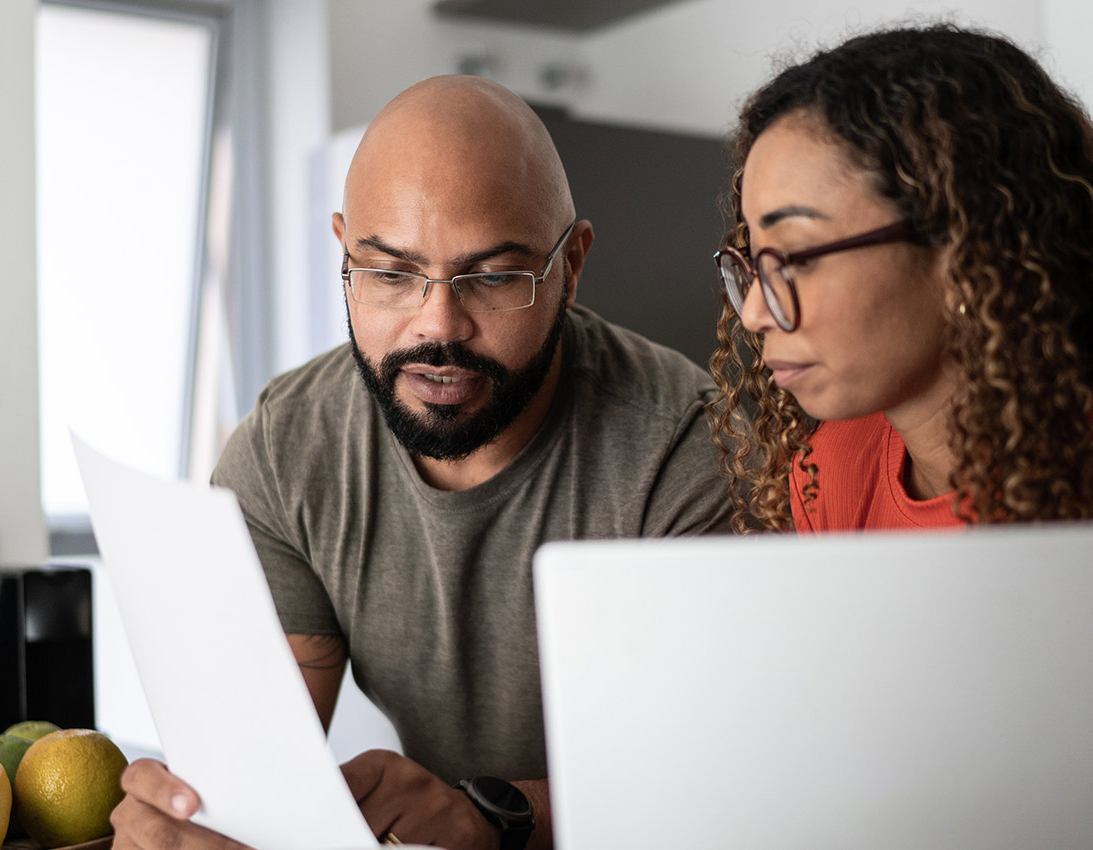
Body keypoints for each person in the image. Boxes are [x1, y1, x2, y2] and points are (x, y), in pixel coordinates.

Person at [110, 76, 731, 850]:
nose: (436, 326)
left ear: (571, 266)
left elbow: (716, 782)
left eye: (494, 276)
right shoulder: (284, 452)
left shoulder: (685, 450)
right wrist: (198, 816)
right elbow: (254, 769)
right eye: (391, 274)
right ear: (343, 252)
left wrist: (489, 815)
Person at [709, 25, 1093, 532]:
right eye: (751, 263)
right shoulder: (833, 466)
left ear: (962, 255)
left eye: (796, 256)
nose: (757, 312)